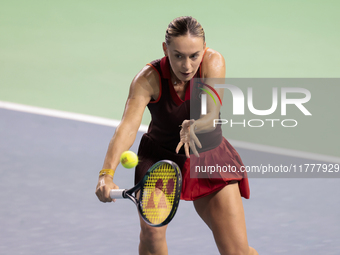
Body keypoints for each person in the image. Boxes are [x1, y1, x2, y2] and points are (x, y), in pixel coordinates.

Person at [95, 16, 259, 255]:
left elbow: (212, 114)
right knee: (152, 234)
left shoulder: (213, 62)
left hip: (208, 157)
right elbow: (127, 127)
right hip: (161, 161)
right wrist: (106, 174)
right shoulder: (147, 79)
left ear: (204, 48)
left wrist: (196, 125)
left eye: (194, 55)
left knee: (237, 251)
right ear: (165, 49)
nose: (187, 66)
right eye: (178, 55)